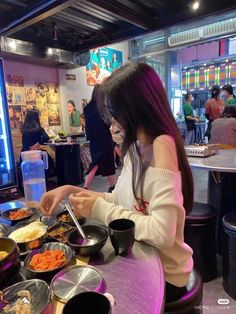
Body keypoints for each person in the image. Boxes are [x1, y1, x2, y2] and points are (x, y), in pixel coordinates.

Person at [40, 63, 193, 302]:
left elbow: (162, 233)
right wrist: (71, 190)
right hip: (140, 257)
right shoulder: (134, 147)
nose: (111, 120)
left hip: (167, 273)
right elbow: (119, 200)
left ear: (135, 108)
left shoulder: (163, 144)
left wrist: (98, 208)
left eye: (114, 110)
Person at [83, 85, 116, 190]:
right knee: (108, 164)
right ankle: (112, 187)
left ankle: (85, 187)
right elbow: (108, 122)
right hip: (105, 139)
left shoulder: (87, 108)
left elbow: (88, 125)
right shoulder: (104, 108)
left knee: (96, 163)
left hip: (94, 141)